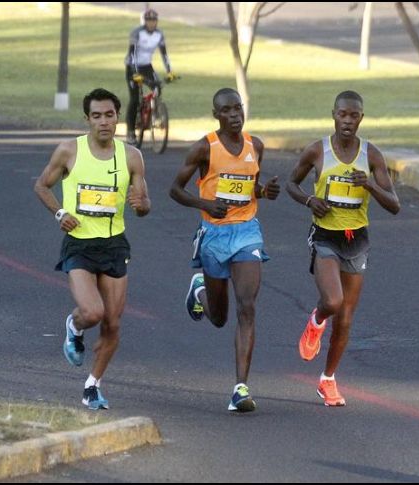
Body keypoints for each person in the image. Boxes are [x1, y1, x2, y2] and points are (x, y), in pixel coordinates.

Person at [33, 88, 151, 410]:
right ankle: (74, 326)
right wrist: (60, 212)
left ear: (118, 118)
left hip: (114, 244)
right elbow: (41, 185)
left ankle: (92, 385)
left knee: (112, 323)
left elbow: (143, 203)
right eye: (96, 116)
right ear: (87, 119)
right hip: (79, 244)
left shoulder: (131, 156)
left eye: (109, 115)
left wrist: (142, 205)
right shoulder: (69, 151)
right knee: (93, 313)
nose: (104, 122)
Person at [285, 91, 400, 406]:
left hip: (356, 240)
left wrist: (370, 186)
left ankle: (328, 380)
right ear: (333, 115)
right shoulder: (317, 151)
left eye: (354, 116)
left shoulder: (371, 155)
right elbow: (291, 184)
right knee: (333, 301)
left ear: (361, 118)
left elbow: (394, 205)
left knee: (347, 318)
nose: (348, 121)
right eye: (343, 115)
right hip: (325, 236)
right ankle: (316, 321)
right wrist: (310, 200)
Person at [170, 88, 280, 413]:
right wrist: (204, 203)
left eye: (238, 109)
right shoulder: (204, 148)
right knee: (219, 318)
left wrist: (265, 191)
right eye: (227, 111)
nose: (234, 115)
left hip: (247, 231)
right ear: (216, 115)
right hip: (214, 235)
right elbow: (175, 189)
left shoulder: (254, 145)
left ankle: (240, 388)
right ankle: (200, 291)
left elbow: (251, 186)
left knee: (247, 307)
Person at [124, 8, 175, 146]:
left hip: (146, 66)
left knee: (158, 86)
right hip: (132, 67)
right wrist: (135, 73)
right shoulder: (137, 33)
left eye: (154, 21)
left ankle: (155, 113)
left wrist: (169, 71)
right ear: (145, 21)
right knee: (134, 99)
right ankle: (130, 132)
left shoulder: (159, 34)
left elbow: (164, 54)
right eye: (149, 20)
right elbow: (132, 54)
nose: (152, 23)